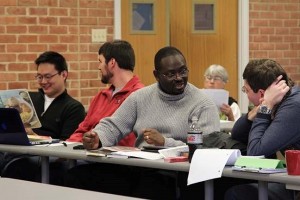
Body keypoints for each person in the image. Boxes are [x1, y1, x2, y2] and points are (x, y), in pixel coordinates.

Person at [64, 46, 220, 199]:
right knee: (74, 177)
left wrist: (165, 142)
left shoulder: (203, 104)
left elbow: (207, 151)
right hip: (140, 166)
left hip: (177, 174)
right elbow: (114, 125)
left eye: (183, 71)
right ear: (156, 75)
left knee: (150, 187)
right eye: (171, 74)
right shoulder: (140, 98)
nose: (179, 78)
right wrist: (98, 138)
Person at [0, 51, 86, 184]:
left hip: (43, 158)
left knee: (19, 167)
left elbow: (67, 146)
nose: (43, 82)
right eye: (39, 77)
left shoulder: (73, 108)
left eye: (48, 76)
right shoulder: (28, 100)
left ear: (64, 75)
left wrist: (35, 136)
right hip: (14, 150)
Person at [224, 59, 300, 200]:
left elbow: (255, 151)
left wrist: (266, 107)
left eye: (246, 90)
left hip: (296, 185)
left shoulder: (293, 107)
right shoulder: (282, 101)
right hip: (295, 181)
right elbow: (237, 134)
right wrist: (258, 111)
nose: (246, 95)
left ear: (261, 94)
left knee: (237, 194)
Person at [67, 40, 144, 146]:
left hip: (113, 159)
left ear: (112, 62)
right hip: (87, 153)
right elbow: (82, 130)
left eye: (100, 61)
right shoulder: (100, 96)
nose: (99, 67)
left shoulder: (140, 96)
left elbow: (126, 140)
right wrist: (66, 147)